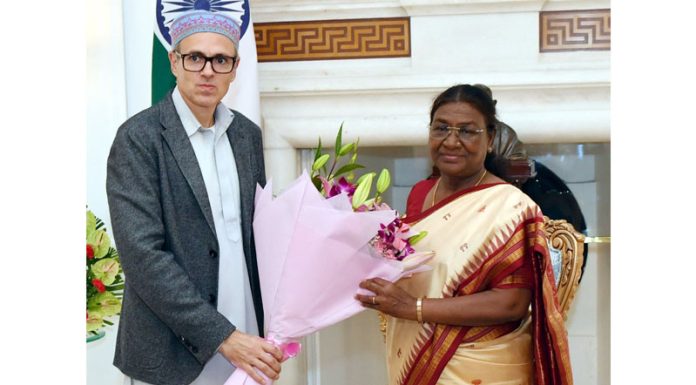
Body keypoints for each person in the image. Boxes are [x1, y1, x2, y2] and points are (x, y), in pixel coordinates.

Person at [106, 10, 282, 385]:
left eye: (221, 60)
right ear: (174, 61)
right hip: (172, 349)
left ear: (235, 69)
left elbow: (259, 234)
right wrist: (221, 336)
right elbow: (143, 257)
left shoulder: (247, 135)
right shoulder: (138, 138)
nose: (207, 71)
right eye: (195, 57)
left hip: (246, 330)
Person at [356, 84, 573, 385]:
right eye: (441, 128)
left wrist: (412, 308)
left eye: (467, 131)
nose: (451, 141)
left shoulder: (511, 206)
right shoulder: (420, 194)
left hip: (482, 366)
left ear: (491, 138)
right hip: (416, 354)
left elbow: (511, 303)